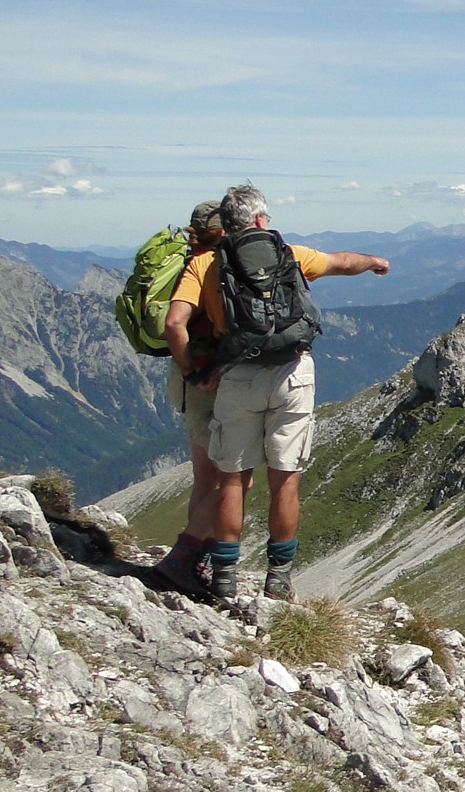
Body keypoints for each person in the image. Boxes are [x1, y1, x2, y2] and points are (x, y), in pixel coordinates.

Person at [162, 184, 389, 601]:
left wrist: (193, 373)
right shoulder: (288, 253)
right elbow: (340, 262)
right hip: (293, 374)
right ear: (262, 220)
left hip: (237, 377)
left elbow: (175, 324)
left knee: (232, 479)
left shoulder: (204, 265)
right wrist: (373, 261)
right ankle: (279, 578)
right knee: (286, 482)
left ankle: (223, 578)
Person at [148, 202, 249, 599]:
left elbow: (174, 325)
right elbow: (176, 323)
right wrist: (197, 369)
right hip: (208, 378)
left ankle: (191, 565)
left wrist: (185, 370)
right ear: (224, 231)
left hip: (184, 381)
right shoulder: (212, 265)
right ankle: (187, 560)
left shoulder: (187, 259)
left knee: (206, 478)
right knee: (235, 479)